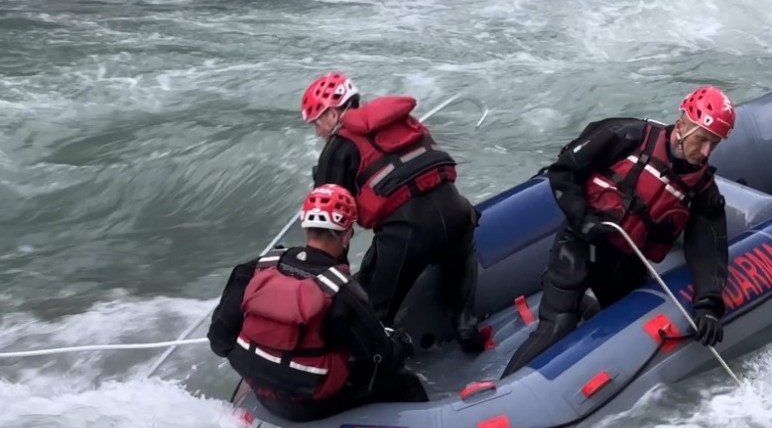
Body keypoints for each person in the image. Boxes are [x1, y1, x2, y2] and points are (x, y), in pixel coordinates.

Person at [502, 86, 736, 377]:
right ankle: (502, 391)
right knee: (557, 328)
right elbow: (563, 172)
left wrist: (709, 305)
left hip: (624, 262)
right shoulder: (626, 136)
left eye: (714, 144)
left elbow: (708, 250)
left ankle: (587, 309)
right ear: (682, 126)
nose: (705, 152)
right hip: (579, 244)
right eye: (702, 140)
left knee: (630, 327)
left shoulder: (702, 189)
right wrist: (584, 219)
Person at [207, 184, 430, 423]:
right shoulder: (342, 291)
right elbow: (378, 363)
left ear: (306, 227)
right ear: (347, 234)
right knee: (405, 381)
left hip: (261, 392)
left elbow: (219, 340)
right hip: (312, 406)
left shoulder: (254, 269)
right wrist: (400, 345)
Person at [300, 71, 484, 353]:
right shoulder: (407, 123)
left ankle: (382, 369)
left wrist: (334, 278)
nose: (317, 131)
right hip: (459, 216)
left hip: (408, 236)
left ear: (333, 114)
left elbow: (330, 223)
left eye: (317, 121)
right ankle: (466, 325)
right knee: (461, 253)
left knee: (373, 315)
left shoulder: (338, 149)